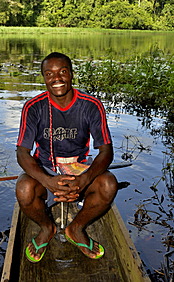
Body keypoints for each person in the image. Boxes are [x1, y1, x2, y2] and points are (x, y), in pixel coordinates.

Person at [15, 52, 118, 263]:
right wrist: (48, 181)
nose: (57, 79)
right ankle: (47, 227)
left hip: (78, 168)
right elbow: (22, 153)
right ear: (44, 77)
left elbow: (106, 151)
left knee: (108, 185)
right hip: (46, 169)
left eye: (62, 72)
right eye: (49, 73)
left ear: (71, 74)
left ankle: (76, 228)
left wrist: (84, 179)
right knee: (24, 189)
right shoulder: (33, 107)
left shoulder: (91, 105)